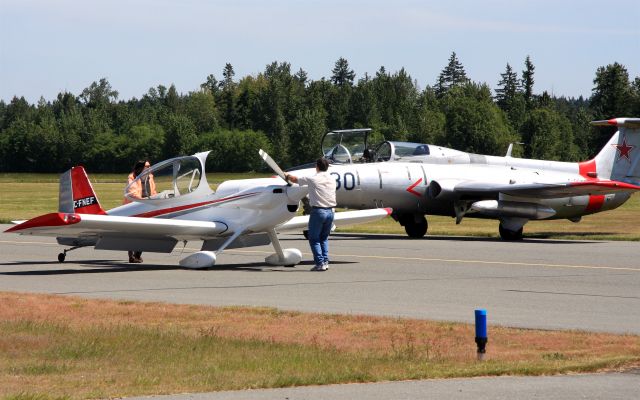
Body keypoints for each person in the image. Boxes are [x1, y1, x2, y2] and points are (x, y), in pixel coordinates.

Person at [285, 158, 336, 271]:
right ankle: (325, 262)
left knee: (314, 238)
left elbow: (295, 180)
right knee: (324, 238)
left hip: (318, 211)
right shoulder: (332, 179)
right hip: (331, 212)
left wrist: (286, 175)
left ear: (316, 167)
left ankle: (320, 263)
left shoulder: (313, 178)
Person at [123, 160, 146, 263]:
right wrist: (143, 200)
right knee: (131, 234)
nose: (143, 170)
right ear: (137, 169)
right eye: (141, 169)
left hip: (141, 207)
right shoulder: (131, 178)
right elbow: (132, 193)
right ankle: (131, 256)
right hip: (130, 209)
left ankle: (137, 255)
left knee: (144, 232)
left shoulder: (143, 177)